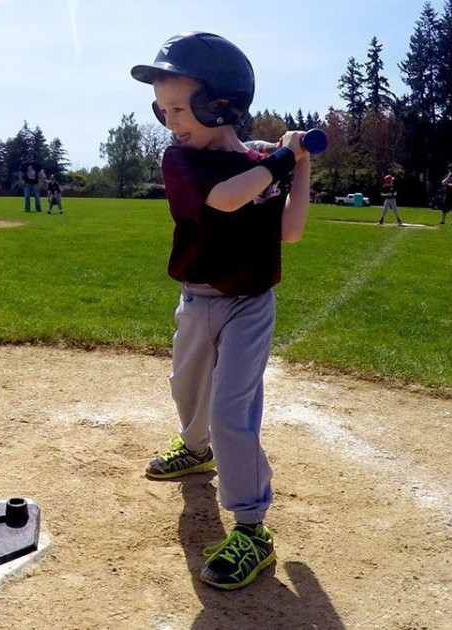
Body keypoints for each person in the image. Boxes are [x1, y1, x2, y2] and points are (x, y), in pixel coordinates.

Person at [132, 31, 313, 590]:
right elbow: (228, 198)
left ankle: (253, 528)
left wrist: (300, 164)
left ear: (222, 105)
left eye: (182, 108)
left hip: (249, 306)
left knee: (233, 411)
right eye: (164, 110)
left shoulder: (265, 163)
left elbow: (291, 230)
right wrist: (284, 157)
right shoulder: (180, 161)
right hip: (196, 298)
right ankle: (193, 449)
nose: (172, 121)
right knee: (186, 387)